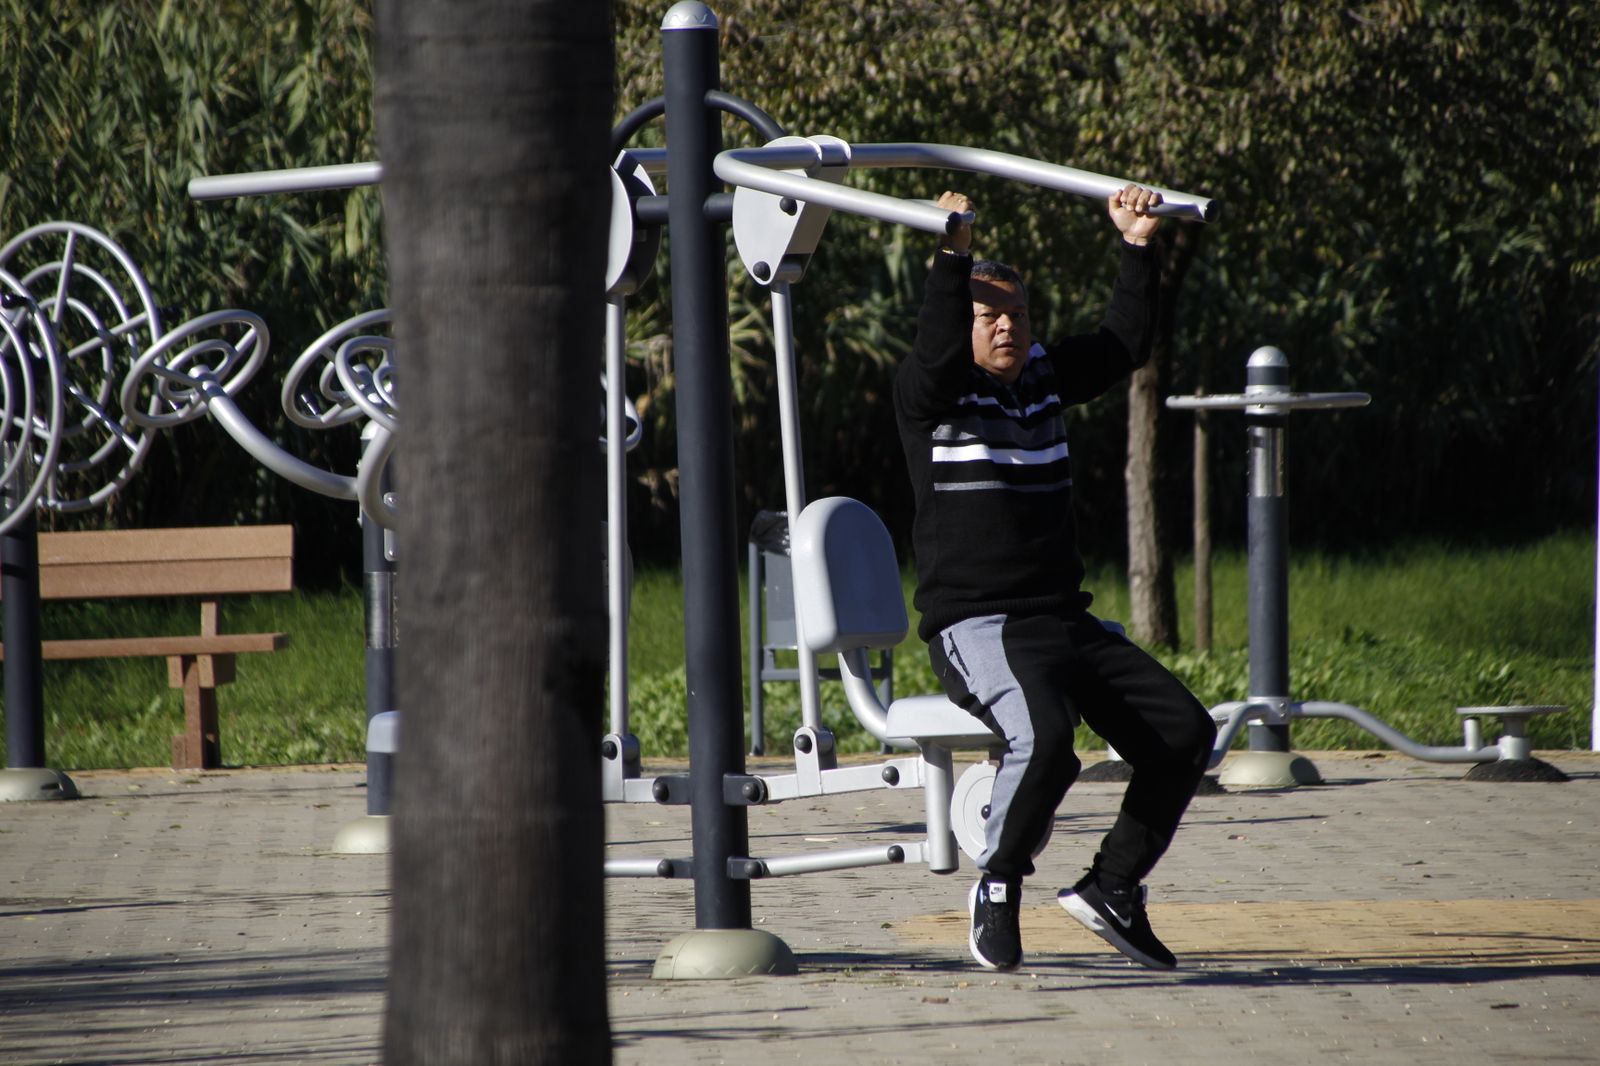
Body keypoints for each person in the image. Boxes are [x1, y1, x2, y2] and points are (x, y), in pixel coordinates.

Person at [892, 186, 1217, 972]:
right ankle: (997, 886)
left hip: (1064, 621)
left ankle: (1112, 887)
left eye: (1017, 314)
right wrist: (951, 257)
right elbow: (936, 351)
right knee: (1045, 741)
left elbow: (1122, 341)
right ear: (961, 322)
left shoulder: (1043, 378)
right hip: (979, 624)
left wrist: (1137, 245)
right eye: (988, 315)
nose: (1007, 327)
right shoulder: (929, 395)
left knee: (1183, 734)